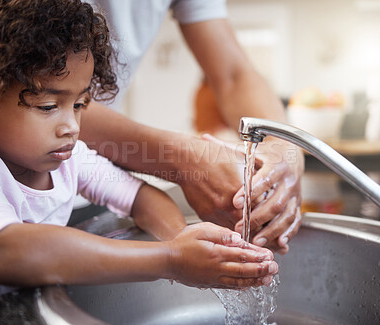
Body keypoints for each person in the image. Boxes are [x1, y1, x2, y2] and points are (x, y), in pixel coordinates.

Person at [0, 0, 278, 291]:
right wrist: (170, 260)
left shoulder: (71, 160)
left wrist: (184, 240)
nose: (72, 126)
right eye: (47, 106)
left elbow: (141, 198)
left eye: (80, 104)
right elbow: (7, 250)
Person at [80, 0, 304, 254]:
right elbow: (40, 97)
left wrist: (283, 144)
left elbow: (233, 74)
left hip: (95, 177)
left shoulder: (90, 173)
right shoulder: (72, 155)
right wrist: (182, 159)